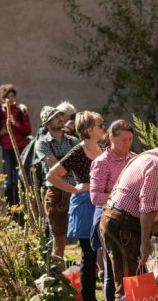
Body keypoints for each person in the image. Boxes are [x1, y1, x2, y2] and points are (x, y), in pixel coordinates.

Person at [99, 132, 158, 301]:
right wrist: (145, 244)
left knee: (127, 280)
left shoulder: (146, 156)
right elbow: (147, 208)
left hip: (114, 219)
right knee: (128, 285)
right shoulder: (157, 165)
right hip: (123, 224)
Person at [47, 111, 106, 301]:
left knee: (104, 251)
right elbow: (51, 175)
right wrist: (74, 189)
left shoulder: (103, 148)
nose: (103, 128)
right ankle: (89, 298)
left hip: (102, 202)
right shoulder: (77, 152)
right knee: (89, 254)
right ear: (89, 130)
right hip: (84, 205)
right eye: (100, 125)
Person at [90, 120, 136, 301]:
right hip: (108, 217)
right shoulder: (102, 162)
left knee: (132, 266)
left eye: (130, 139)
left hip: (132, 218)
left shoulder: (134, 159)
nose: (127, 143)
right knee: (112, 269)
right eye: (123, 139)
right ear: (111, 138)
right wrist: (122, 198)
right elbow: (95, 197)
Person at [35, 105, 79, 258]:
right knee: (59, 241)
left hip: (77, 193)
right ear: (47, 123)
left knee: (86, 237)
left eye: (61, 116)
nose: (61, 119)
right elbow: (53, 166)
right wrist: (73, 169)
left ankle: (87, 271)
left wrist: (68, 170)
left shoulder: (74, 141)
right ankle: (57, 271)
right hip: (57, 194)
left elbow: (83, 166)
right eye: (55, 117)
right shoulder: (42, 143)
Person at [0, 84, 31, 205]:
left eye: (12, 96)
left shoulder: (21, 110)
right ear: (3, 98)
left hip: (20, 147)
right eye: (7, 97)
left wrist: (15, 124)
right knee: (8, 180)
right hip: (6, 148)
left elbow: (28, 131)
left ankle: (22, 205)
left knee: (20, 177)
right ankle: (10, 206)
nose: (10, 99)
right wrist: (1, 132)